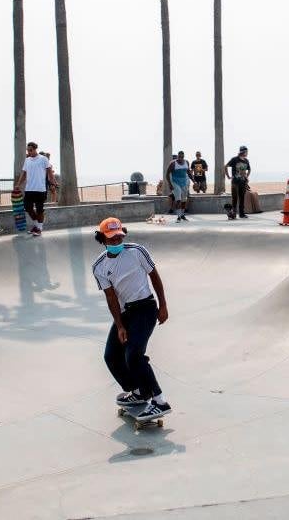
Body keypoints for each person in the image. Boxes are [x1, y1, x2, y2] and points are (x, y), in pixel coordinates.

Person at [92, 217, 172, 423]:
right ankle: (137, 392)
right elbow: (111, 298)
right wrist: (119, 326)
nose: (117, 242)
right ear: (102, 239)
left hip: (146, 307)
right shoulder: (99, 266)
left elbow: (155, 276)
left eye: (119, 237)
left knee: (134, 355)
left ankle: (159, 401)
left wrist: (163, 305)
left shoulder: (137, 251)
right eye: (112, 239)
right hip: (126, 312)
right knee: (111, 356)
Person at [18, 142, 57, 236]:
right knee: (27, 207)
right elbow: (24, 173)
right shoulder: (27, 160)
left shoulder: (43, 159)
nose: (29, 152)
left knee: (40, 210)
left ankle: (39, 228)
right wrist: (18, 184)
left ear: (35, 149)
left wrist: (53, 183)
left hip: (40, 189)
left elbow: (50, 172)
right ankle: (36, 225)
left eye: (30, 150)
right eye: (28, 150)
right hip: (29, 189)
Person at [165, 150, 193, 221]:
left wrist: (194, 181)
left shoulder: (186, 162)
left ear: (183, 156)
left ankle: (182, 215)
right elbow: (167, 174)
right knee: (178, 200)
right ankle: (178, 216)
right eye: (179, 156)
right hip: (175, 183)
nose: (181, 158)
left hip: (184, 182)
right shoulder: (173, 164)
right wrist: (170, 184)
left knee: (184, 200)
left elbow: (189, 173)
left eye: (182, 157)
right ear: (177, 156)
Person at [225, 146, 252, 218]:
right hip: (235, 182)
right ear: (243, 152)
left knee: (242, 198)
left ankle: (241, 214)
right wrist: (228, 176)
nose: (247, 153)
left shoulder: (246, 161)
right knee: (235, 198)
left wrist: (247, 176)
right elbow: (226, 166)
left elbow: (249, 169)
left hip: (243, 182)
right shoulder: (234, 159)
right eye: (246, 152)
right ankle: (233, 214)